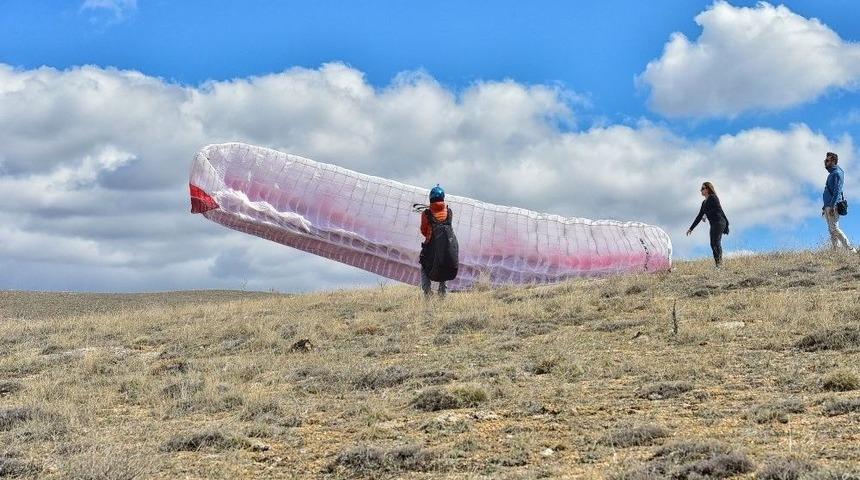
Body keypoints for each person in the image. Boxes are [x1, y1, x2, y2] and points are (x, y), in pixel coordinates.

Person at [687, 181, 729, 268]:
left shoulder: (713, 197)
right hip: (713, 224)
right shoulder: (704, 203)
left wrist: (706, 214)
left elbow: (717, 209)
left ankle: (720, 265)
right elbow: (699, 216)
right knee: (712, 243)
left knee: (716, 242)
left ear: (707, 189)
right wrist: (691, 228)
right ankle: (718, 264)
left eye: (702, 188)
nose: (701, 190)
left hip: (720, 222)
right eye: (701, 189)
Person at [420, 185, 450, 296]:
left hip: (431, 247)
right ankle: (443, 293)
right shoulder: (449, 212)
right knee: (444, 266)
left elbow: (423, 231)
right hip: (446, 247)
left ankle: (427, 293)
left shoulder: (426, 214)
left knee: (424, 267)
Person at [822, 152, 854, 251]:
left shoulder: (837, 173)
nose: (825, 162)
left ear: (833, 161)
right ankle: (836, 251)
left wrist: (832, 205)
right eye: (825, 160)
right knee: (832, 230)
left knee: (834, 228)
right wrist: (825, 206)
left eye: (827, 160)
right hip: (828, 205)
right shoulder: (832, 173)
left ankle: (850, 249)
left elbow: (837, 190)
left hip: (833, 206)